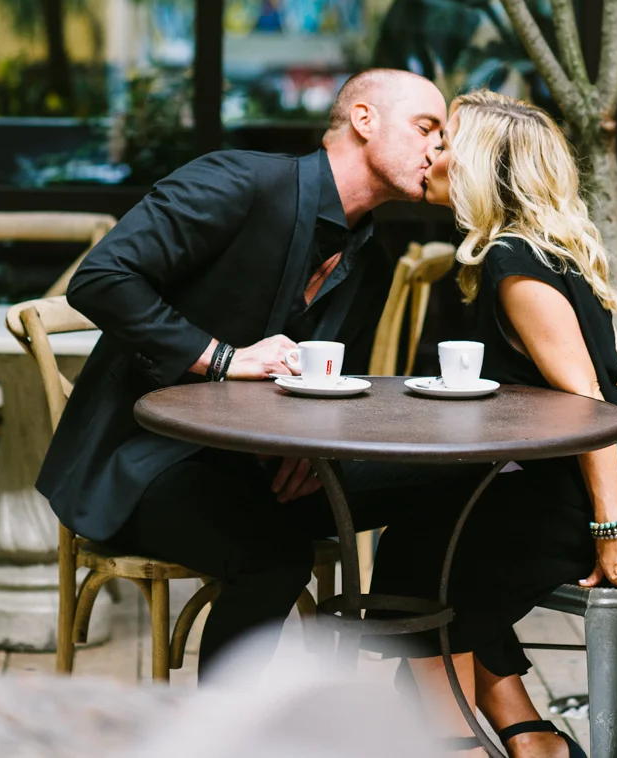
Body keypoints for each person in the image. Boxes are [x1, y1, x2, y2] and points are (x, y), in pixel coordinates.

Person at [39, 67, 459, 676]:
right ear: (364, 120)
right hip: (141, 461)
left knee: (448, 481)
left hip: (259, 470)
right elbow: (101, 278)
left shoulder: (373, 261)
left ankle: (428, 695)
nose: (438, 149)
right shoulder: (238, 181)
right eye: (427, 128)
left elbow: (333, 380)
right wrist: (223, 358)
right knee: (276, 558)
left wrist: (318, 448)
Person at [368, 91, 617, 757]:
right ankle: (531, 739)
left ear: (481, 166)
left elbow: (590, 407)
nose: (431, 152)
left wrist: (614, 528)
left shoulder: (515, 264)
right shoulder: (545, 251)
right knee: (427, 541)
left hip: (606, 475)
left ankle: (473, 742)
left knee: (419, 561)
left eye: (446, 142)